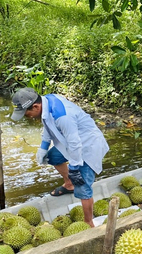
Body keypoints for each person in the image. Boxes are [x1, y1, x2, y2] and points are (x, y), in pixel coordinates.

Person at [10, 87, 109, 227]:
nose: (27, 117)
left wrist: (74, 168)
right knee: (53, 157)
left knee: (83, 186)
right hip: (69, 142)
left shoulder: (63, 116)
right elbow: (47, 125)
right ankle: (69, 185)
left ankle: (89, 223)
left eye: (27, 114)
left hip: (87, 146)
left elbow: (75, 144)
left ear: (36, 106)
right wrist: (43, 147)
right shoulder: (47, 102)